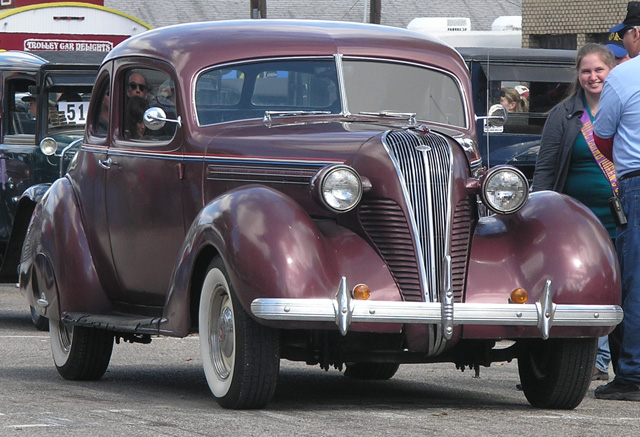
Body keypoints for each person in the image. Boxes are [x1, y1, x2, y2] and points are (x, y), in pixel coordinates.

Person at [532, 43, 617, 380]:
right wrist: (539, 209)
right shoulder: (564, 114)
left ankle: (613, 360)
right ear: (578, 76)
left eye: (599, 70)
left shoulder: (625, 109)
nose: (592, 76)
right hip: (576, 220)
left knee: (619, 285)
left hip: (619, 214)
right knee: (587, 285)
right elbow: (546, 168)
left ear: (611, 72)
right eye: (586, 71)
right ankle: (595, 360)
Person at [593, 1, 640, 401]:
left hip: (637, 184)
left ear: (637, 34)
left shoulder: (624, 76)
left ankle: (633, 374)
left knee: (636, 282)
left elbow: (603, 136)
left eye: (626, 33)